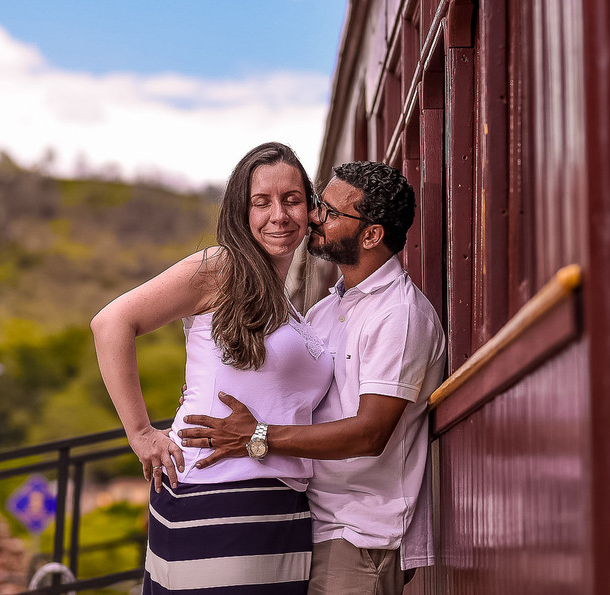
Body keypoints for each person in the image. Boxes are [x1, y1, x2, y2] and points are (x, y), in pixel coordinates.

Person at [177, 161, 446, 595]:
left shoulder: (400, 316)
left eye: (331, 212)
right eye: (319, 205)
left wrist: (256, 436)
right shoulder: (326, 309)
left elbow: (370, 433)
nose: (315, 217)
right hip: (310, 522)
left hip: (360, 536)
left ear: (372, 235)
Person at [92, 142, 333, 594]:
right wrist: (141, 433)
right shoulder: (222, 267)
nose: (278, 215)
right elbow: (111, 323)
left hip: (280, 506)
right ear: (240, 212)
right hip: (218, 494)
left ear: (311, 209)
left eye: (292, 199)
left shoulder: (290, 305)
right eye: (261, 202)